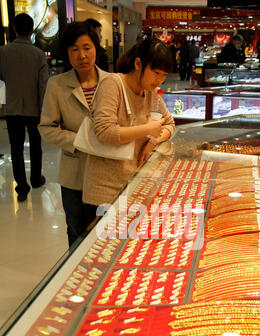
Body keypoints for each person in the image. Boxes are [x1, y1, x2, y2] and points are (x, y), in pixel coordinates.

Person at [38, 21, 110, 247]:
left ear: (96, 48)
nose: (82, 55)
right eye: (74, 49)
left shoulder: (112, 82)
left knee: (107, 231)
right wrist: (80, 141)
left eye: (87, 48)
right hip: (74, 174)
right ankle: (79, 280)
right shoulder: (57, 85)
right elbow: (46, 128)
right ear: (67, 53)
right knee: (76, 231)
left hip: (107, 173)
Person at [82, 38, 175, 208]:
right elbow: (104, 132)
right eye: (156, 72)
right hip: (104, 191)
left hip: (135, 183)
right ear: (138, 64)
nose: (159, 80)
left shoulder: (150, 93)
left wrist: (153, 142)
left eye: (164, 75)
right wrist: (148, 129)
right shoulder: (113, 84)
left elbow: (170, 124)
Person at [0, 13, 48, 201]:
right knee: (36, 145)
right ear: (32, 30)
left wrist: (3, 102)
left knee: (16, 148)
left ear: (14, 29)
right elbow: (43, 85)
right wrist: (45, 110)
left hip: (12, 108)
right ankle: (36, 179)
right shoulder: (38, 54)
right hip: (34, 108)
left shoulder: (2, 52)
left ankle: (21, 187)